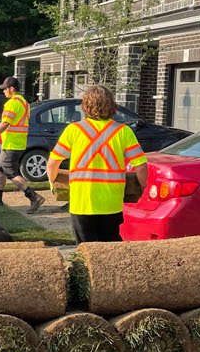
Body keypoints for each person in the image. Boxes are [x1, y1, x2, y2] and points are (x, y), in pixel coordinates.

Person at [46, 84, 148, 243]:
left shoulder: (73, 130)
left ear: (85, 106)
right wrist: (142, 186)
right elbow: (141, 165)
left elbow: (53, 163)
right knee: (109, 251)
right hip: (111, 203)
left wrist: (53, 182)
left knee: (85, 252)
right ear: (112, 105)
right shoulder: (123, 131)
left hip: (82, 201)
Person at [0, 75, 44, 213]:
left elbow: (6, 122)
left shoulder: (12, 103)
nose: (3, 91)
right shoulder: (25, 103)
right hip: (17, 143)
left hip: (12, 144)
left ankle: (33, 196)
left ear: (12, 89)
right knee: (1, 169)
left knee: (10, 172)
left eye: (5, 89)